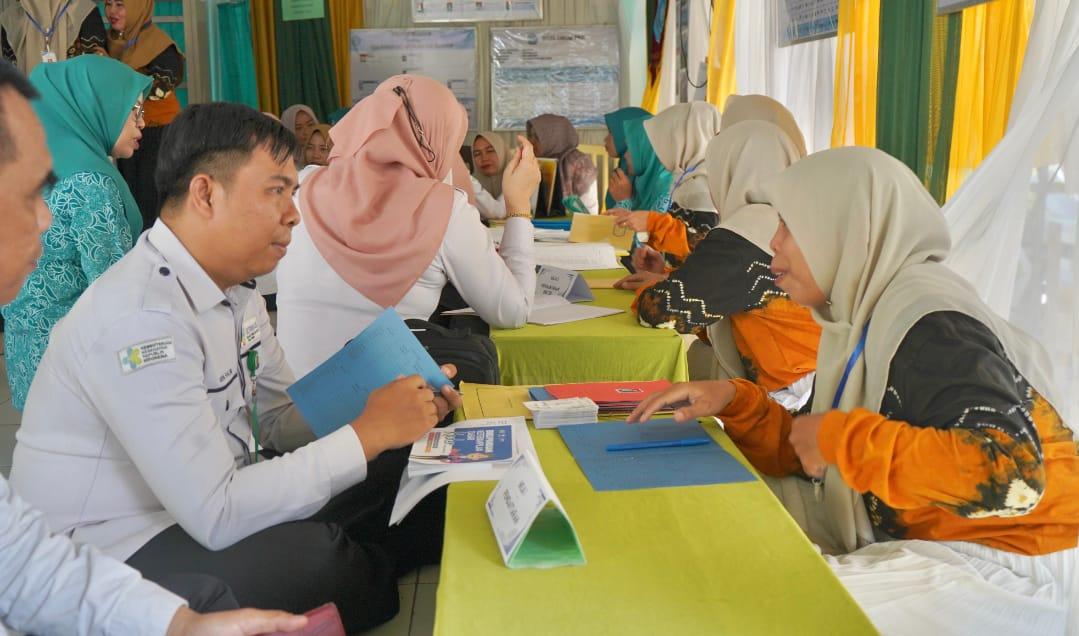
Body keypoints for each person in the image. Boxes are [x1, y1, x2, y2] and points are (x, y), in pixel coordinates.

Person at [10, 101, 463, 633]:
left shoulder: (237, 291)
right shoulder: (139, 322)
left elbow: (279, 420)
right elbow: (217, 512)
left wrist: (390, 406)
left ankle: (371, 551)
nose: (294, 212)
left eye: (294, 193)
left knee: (410, 458)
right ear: (206, 193)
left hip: (208, 499)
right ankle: (363, 562)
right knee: (318, 559)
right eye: (276, 191)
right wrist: (365, 434)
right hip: (117, 541)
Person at [629, 147, 1079, 634]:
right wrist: (734, 403)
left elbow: (1015, 477)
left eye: (789, 228)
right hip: (917, 535)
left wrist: (844, 439)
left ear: (844, 232)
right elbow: (812, 453)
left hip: (999, 558)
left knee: (772, 604)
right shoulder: (856, 320)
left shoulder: (931, 320)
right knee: (721, 540)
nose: (773, 246)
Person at [0, 56, 313, 636]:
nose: (46, 220)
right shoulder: (103, 212)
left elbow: (24, 567)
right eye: (28, 197)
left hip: (56, 358)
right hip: (103, 387)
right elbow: (123, 296)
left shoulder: (211, 287)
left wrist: (179, 625)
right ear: (205, 194)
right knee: (303, 559)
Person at [276, 75, 540, 378]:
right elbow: (513, 310)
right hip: (385, 412)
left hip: (286, 410)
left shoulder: (301, 186)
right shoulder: (445, 208)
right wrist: (518, 206)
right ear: (440, 139)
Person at [633, 121, 819, 409]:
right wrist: (669, 276)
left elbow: (658, 311)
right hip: (825, 379)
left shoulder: (746, 233)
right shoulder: (804, 219)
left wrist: (659, 286)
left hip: (795, 400)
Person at [1, 55, 148, 410]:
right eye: (134, 111)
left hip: (27, 353)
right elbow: (115, 289)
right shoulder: (90, 183)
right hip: (79, 366)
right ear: (98, 106)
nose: (142, 124)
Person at [610, 102, 721, 267]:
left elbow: (701, 249)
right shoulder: (685, 179)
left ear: (681, 140)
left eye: (664, 140)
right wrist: (660, 270)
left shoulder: (703, 187)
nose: (658, 148)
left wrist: (652, 221)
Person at [106, 0, 184, 229]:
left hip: (156, 132)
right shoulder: (108, 42)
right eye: (108, 4)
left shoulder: (160, 47)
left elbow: (152, 94)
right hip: (123, 132)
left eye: (120, 5)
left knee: (148, 202)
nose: (112, 11)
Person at [0, 0, 106, 75]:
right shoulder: (10, 19)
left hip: (74, 105)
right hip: (25, 104)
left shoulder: (85, 12)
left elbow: (96, 74)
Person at [526, 113, 598, 215]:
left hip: (574, 225)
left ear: (553, 137)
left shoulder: (580, 162)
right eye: (530, 136)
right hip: (538, 224)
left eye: (537, 137)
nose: (530, 142)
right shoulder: (531, 161)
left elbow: (589, 210)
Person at [602, 106, 652, 210]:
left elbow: (645, 223)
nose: (605, 139)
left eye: (611, 132)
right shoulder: (624, 168)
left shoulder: (660, 180)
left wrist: (624, 202)